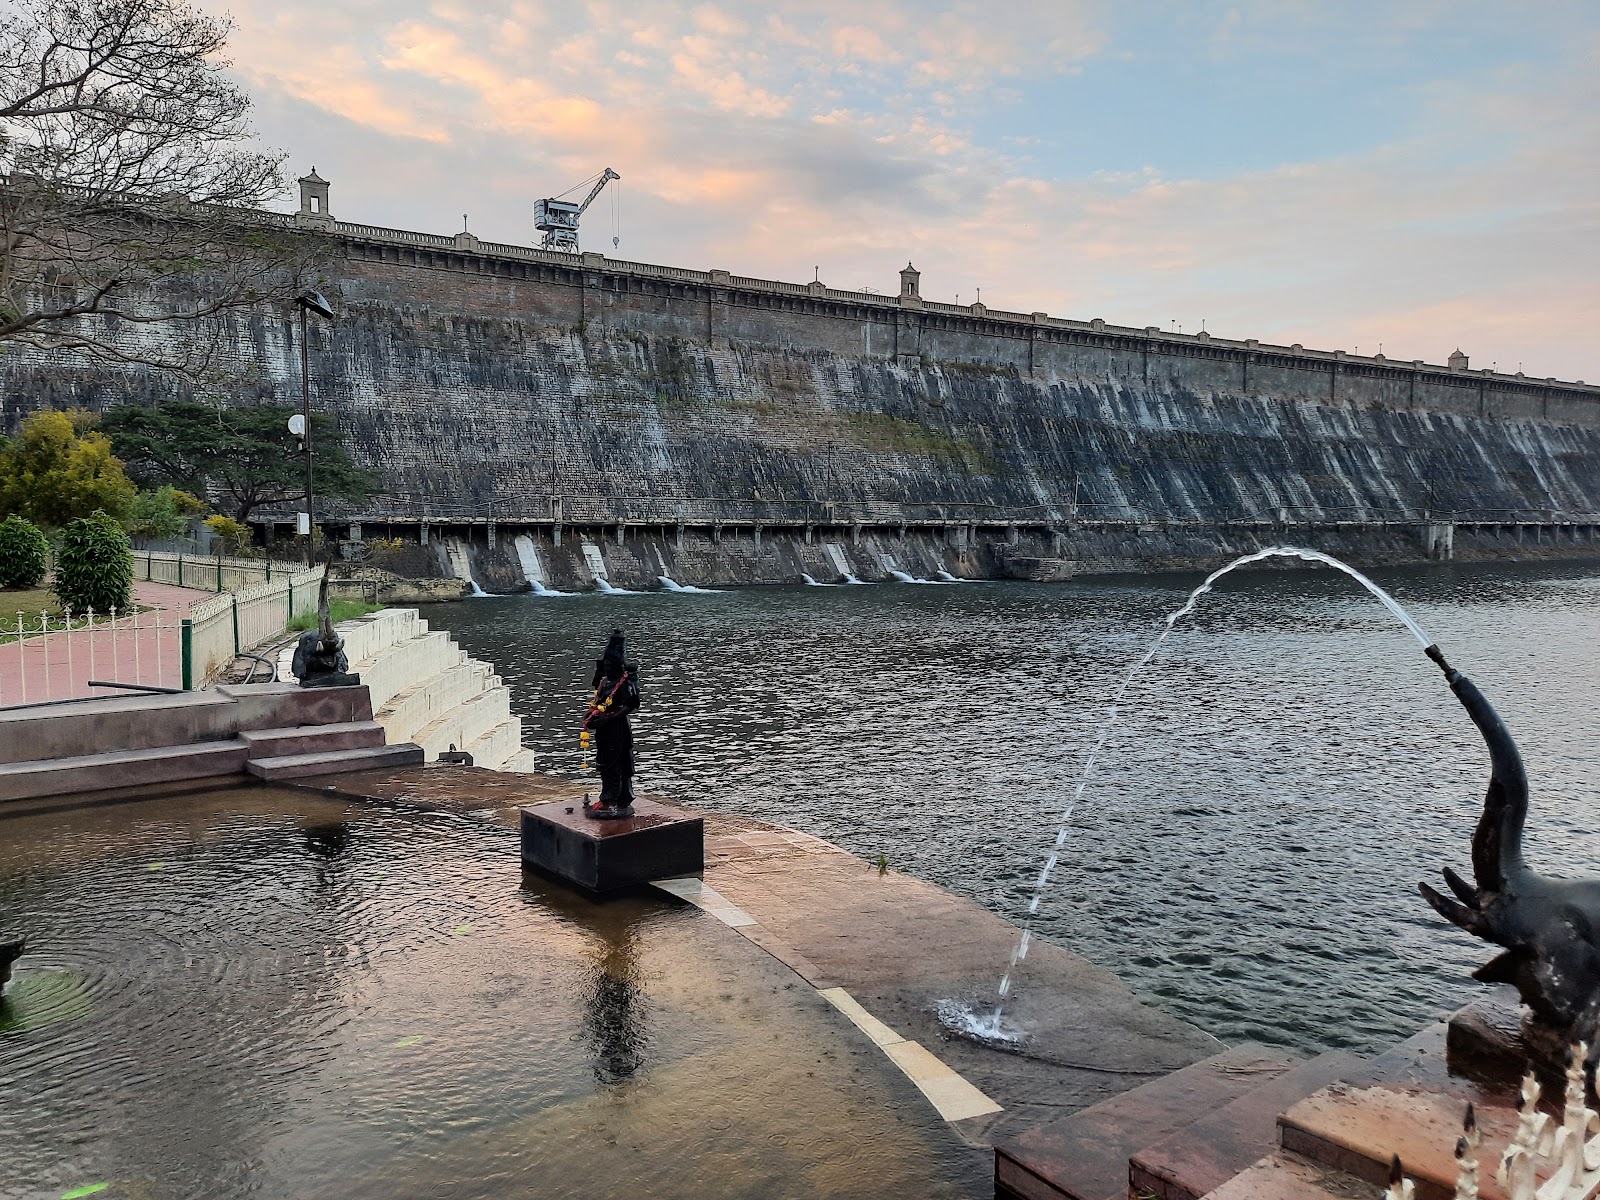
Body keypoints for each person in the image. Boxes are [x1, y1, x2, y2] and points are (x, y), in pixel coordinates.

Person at [583, 629, 641, 818]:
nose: (607, 667)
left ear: (618, 666)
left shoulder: (623, 683)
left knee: (615, 764)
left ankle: (613, 799)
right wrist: (591, 716)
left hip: (617, 729)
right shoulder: (605, 682)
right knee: (604, 763)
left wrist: (609, 718)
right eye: (605, 664)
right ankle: (606, 797)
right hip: (604, 729)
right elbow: (598, 701)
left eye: (610, 664)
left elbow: (630, 705)